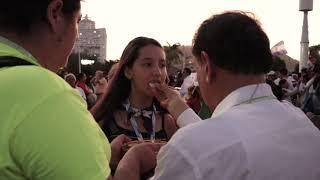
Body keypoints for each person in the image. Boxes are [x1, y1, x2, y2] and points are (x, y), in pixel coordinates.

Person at [115, 11, 320, 180]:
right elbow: (223, 136)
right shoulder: (303, 124)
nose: (158, 72)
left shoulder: (190, 148)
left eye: (196, 68)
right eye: (148, 64)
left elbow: (210, 144)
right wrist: (182, 111)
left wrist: (128, 166)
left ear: (207, 65)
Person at [0, 1, 153, 179]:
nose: (78, 36)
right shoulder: (47, 94)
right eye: (77, 22)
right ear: (55, 13)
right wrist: (133, 161)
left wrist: (100, 155)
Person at [91, 37, 177, 143]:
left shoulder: (168, 122)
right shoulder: (105, 120)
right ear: (128, 71)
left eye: (162, 65)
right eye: (148, 64)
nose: (158, 72)